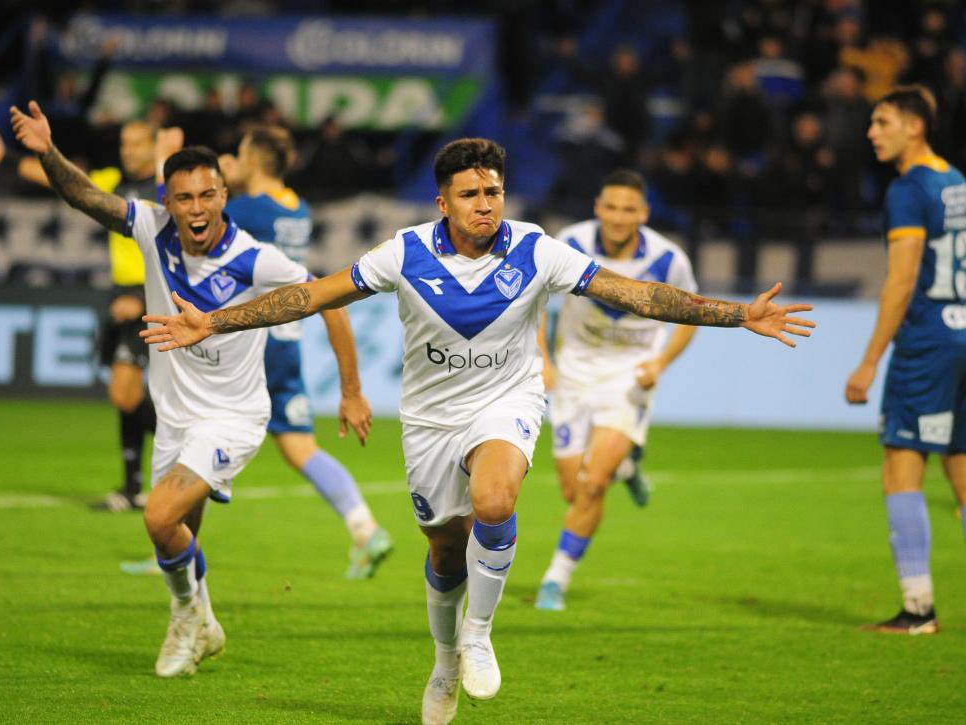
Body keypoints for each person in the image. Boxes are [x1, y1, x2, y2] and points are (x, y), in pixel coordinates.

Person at [140, 138, 814, 723]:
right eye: (470, 194)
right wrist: (217, 319)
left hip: (506, 403)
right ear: (443, 203)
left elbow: (636, 293)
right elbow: (311, 296)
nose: (486, 204)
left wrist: (734, 315)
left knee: (496, 500)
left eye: (493, 190)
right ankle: (442, 659)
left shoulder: (535, 249)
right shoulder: (402, 255)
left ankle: (481, 633)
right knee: (443, 551)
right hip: (430, 421)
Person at [9, 100, 371, 677]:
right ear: (168, 202)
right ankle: (203, 622)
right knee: (176, 534)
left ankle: (185, 619)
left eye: (207, 195)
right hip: (175, 417)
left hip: (232, 416)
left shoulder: (256, 259)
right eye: (183, 198)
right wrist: (48, 153)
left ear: (224, 195)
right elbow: (84, 197)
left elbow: (330, 301)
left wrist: (351, 391)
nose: (196, 209)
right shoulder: (150, 228)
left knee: (157, 518)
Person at [164, 124, 393, 578]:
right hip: (288, 341)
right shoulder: (297, 207)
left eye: (240, 154)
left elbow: (187, 213)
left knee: (197, 432)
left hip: (249, 338)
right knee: (299, 446)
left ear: (253, 160)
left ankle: (176, 549)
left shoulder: (247, 210)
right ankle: (364, 526)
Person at [0, 119, 160, 511]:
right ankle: (133, 487)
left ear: (156, 146)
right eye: (125, 142)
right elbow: (64, 181)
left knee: (124, 390)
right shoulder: (112, 182)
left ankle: (189, 451)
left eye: (138, 143)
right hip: (123, 297)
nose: (129, 149)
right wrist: (6, 159)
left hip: (155, 298)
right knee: (125, 394)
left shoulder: (168, 191)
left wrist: (146, 297)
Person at [534, 169, 698, 612]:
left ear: (644, 213)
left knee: (591, 484)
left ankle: (555, 579)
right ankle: (628, 468)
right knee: (573, 490)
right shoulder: (570, 243)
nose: (620, 217)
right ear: (597, 208)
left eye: (630, 209)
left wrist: (660, 363)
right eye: (612, 207)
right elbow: (533, 301)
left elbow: (690, 317)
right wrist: (543, 360)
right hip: (573, 376)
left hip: (628, 379)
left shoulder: (668, 258)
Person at [845, 84, 966, 635]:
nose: (872, 132)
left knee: (901, 464)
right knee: (961, 470)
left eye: (883, 121)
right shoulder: (955, 180)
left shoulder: (909, 190)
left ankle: (917, 608)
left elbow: (902, 278)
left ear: (915, 126)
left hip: (928, 344)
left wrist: (870, 360)